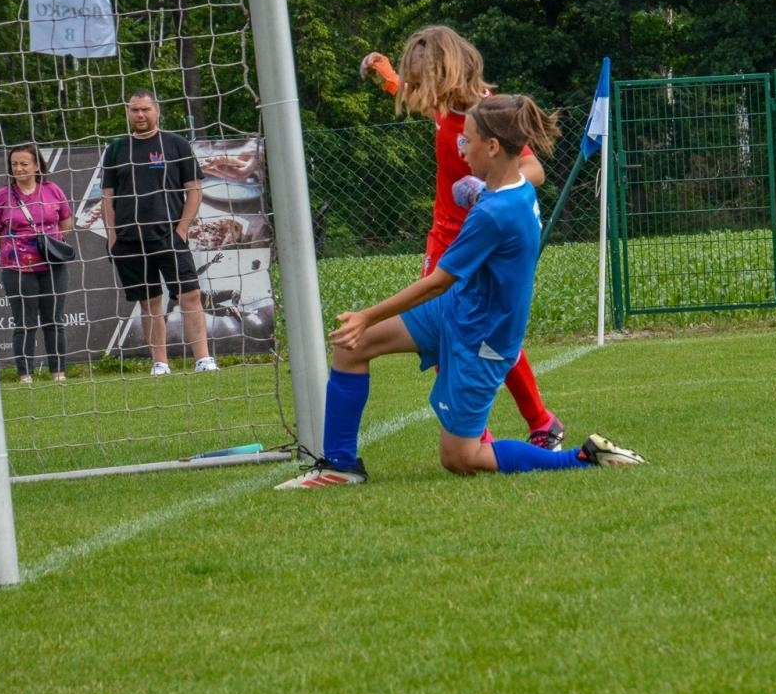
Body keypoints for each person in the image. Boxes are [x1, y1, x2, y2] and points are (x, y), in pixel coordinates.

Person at [276, 94, 644, 488]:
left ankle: (582, 458)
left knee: (460, 458)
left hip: (481, 338)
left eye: (467, 140)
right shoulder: (514, 189)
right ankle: (339, 464)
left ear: (493, 146)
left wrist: (366, 315)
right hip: (458, 309)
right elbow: (491, 211)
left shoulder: (494, 214)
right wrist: (476, 192)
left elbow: (438, 281)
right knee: (353, 347)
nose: (461, 148)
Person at [355, 26, 567, 449]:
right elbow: (410, 94)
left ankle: (536, 424)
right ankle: (491, 434)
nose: (418, 88)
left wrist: (485, 190)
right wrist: (386, 74)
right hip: (443, 241)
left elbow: (535, 171)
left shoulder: (486, 117)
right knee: (444, 336)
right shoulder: (444, 104)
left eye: (422, 78)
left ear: (444, 73)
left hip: (478, 243)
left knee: (483, 333)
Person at [101, 89, 219, 374]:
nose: (140, 115)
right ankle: (160, 363)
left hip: (169, 236)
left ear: (157, 111)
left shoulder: (176, 144)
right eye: (134, 110)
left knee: (190, 295)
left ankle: (203, 360)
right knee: (150, 301)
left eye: (145, 109)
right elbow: (107, 197)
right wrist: (113, 237)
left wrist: (181, 230)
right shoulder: (116, 148)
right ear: (128, 112)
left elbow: (194, 190)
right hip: (130, 239)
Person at [0, 143, 73, 382]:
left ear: (36, 166)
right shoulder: (2, 195)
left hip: (53, 266)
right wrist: (14, 250)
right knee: (24, 322)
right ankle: (25, 375)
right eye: (14, 164)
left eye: (24, 163)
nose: (19, 168)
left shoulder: (53, 190)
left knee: (54, 320)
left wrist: (49, 246)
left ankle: (58, 373)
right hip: (17, 269)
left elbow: (66, 222)